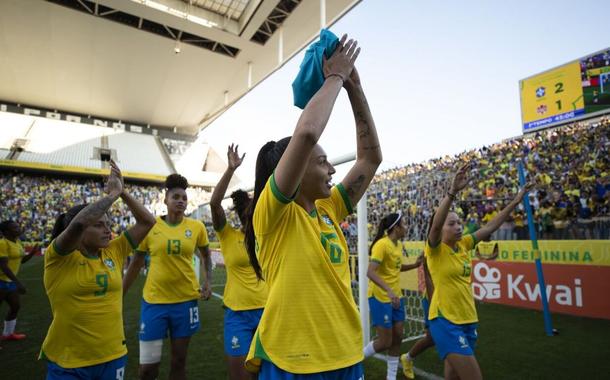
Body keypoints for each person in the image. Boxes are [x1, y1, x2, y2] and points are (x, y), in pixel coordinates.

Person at [243, 34, 382, 378]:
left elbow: (370, 159)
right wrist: (335, 75)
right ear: (297, 166)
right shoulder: (273, 214)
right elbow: (306, 133)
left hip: (346, 355)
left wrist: (354, 88)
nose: (332, 168)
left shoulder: (329, 209)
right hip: (294, 361)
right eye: (322, 161)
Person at [41, 160, 155, 379]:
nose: (108, 231)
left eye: (108, 224)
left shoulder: (113, 250)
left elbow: (147, 221)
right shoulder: (58, 257)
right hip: (68, 361)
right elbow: (78, 224)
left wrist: (122, 193)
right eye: (99, 225)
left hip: (112, 356)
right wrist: (110, 196)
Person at [425, 163, 533, 380]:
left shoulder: (464, 244)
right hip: (445, 320)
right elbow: (435, 227)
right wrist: (453, 192)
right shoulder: (435, 249)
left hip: (468, 319)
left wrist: (516, 201)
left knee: (453, 377)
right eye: (452, 224)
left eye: (459, 223)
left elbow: (491, 226)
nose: (458, 227)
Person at [123, 173, 213, 380]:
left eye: (184, 197)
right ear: (165, 199)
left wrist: (207, 281)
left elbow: (206, 255)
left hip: (186, 302)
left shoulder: (196, 227)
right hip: (154, 303)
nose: (181, 201)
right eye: (176, 197)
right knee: (148, 368)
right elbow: (136, 262)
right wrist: (119, 293)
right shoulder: (151, 226)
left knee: (179, 362)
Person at [209, 144, 268, 380]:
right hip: (238, 315)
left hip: (267, 311)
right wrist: (230, 170)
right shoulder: (227, 234)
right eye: (249, 212)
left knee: (267, 376)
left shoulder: (266, 235)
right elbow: (214, 203)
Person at [363, 212, 422, 380]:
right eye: (403, 224)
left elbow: (396, 267)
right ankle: (355, 360)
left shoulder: (397, 245)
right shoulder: (382, 245)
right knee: (385, 342)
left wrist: (415, 265)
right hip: (380, 296)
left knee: (398, 338)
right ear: (396, 228)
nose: (406, 227)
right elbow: (370, 272)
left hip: (397, 297)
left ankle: (391, 377)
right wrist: (388, 290)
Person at [0, 221, 37, 341]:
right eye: (14, 227)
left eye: (17, 225)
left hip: (9, 282)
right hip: (1, 281)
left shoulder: (18, 242)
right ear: (6, 232)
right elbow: (4, 267)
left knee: (15, 307)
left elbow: (21, 261)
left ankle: (8, 334)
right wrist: (18, 283)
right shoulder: (2, 244)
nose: (18, 228)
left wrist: (31, 253)